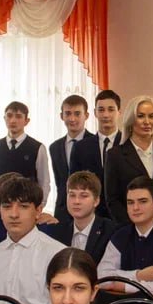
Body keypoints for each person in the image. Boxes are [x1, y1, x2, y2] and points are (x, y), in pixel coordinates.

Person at [0, 177, 66, 304]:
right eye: (7, 207)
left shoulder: (57, 255)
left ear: (38, 211)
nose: (14, 214)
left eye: (23, 206)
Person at [99, 177, 153, 296]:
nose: (135, 208)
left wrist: (124, 286)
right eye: (130, 202)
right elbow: (101, 276)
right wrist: (138, 275)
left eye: (142, 201)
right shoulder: (120, 235)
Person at [104, 95, 153, 224]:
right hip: (131, 228)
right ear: (131, 120)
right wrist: (132, 227)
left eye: (151, 116)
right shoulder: (115, 155)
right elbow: (112, 200)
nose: (147, 121)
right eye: (141, 116)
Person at [40, 170, 117, 263]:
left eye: (83, 196)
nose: (76, 201)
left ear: (96, 201)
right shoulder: (58, 231)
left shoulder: (111, 232)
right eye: (72, 195)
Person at [49, 94, 104, 222]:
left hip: (92, 211)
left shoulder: (96, 143)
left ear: (87, 115)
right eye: (68, 113)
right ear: (61, 116)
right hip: (63, 211)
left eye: (77, 114)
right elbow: (60, 183)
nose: (72, 118)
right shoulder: (55, 147)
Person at [0, 100, 51, 205]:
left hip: (27, 204)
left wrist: (40, 205)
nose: (13, 120)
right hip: (2, 204)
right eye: (9, 116)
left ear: (27, 121)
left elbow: (44, 181)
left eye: (18, 116)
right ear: (4, 118)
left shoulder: (37, 147)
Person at [93, 88, 124, 164]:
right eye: (101, 110)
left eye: (111, 110)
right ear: (95, 112)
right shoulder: (81, 147)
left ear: (119, 112)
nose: (106, 115)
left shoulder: (128, 143)